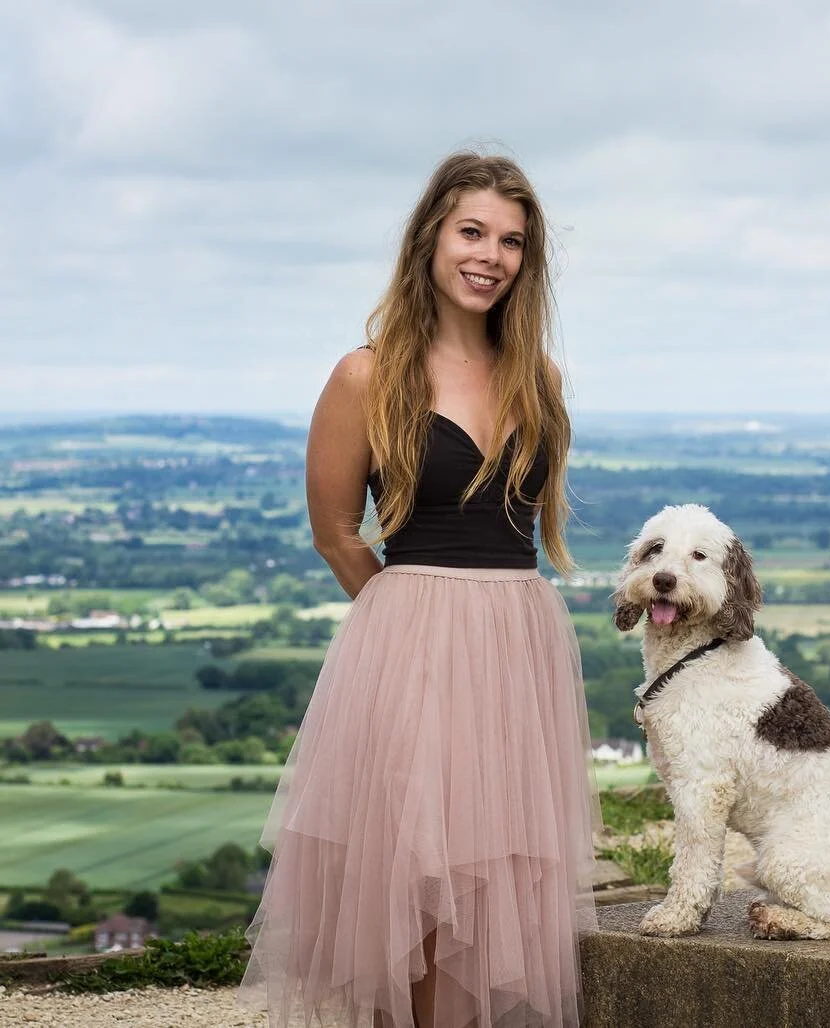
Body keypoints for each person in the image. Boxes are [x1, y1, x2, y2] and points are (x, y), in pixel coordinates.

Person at [239, 152, 598, 1028]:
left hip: (519, 641)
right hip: (411, 647)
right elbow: (335, 532)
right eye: (472, 231)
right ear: (431, 238)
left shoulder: (540, 379)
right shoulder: (366, 376)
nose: (490, 255)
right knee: (416, 882)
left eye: (511, 241)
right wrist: (407, 624)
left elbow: (528, 526)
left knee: (501, 879)